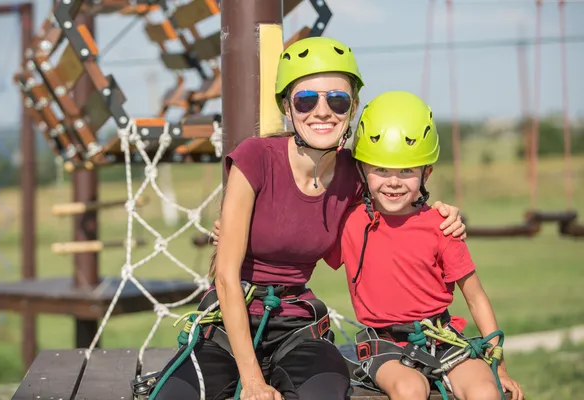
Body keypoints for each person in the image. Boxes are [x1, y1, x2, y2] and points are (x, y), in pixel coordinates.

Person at [151, 37, 466, 400]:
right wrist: (252, 380)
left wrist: (440, 214)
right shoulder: (255, 159)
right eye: (306, 99)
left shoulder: (353, 173)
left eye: (337, 99)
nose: (322, 111)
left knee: (327, 393)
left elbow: (397, 209)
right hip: (227, 325)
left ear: (353, 107)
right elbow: (225, 276)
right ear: (287, 106)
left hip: (295, 326)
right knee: (174, 396)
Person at [324, 91, 525, 400]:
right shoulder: (350, 223)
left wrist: (499, 366)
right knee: (410, 389)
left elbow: (476, 299)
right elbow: (300, 233)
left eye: (406, 170)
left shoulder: (442, 226)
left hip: (441, 337)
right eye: (381, 169)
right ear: (362, 169)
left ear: (426, 173)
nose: (393, 182)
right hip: (383, 344)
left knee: (486, 392)